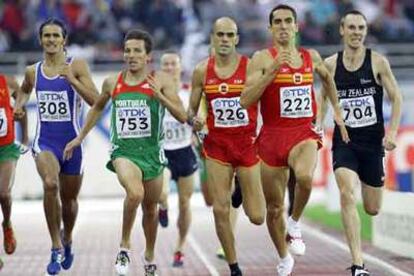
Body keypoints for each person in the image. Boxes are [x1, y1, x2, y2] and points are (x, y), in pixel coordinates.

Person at [63, 29, 187, 276]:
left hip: (152, 153)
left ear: (148, 56)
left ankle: (149, 255)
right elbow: (97, 109)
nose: (131, 55)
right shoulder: (113, 82)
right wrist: (79, 138)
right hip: (124, 153)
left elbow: (182, 116)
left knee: (150, 210)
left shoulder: (161, 80)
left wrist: (161, 98)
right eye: (127, 50)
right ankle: (124, 246)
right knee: (135, 193)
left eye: (137, 51)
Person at [240, 4, 349, 275]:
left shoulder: (310, 56)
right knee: (273, 208)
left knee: (304, 177)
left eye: (289, 21)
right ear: (270, 28)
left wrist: (335, 111)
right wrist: (273, 71)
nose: (283, 26)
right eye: (277, 22)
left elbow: (328, 79)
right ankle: (284, 256)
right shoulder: (261, 58)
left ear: (296, 26)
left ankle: (296, 222)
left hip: (303, 132)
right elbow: (245, 100)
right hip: (272, 136)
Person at [13, 18, 99, 275]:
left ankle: (68, 237)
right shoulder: (33, 71)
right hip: (45, 141)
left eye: (55, 35)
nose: (51, 39)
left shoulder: (78, 65)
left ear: (64, 40)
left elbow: (96, 100)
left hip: (72, 143)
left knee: (69, 200)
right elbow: (25, 91)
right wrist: (19, 105)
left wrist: (72, 80)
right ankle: (55, 245)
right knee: (50, 184)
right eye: (46, 35)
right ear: (40, 40)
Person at [321, 10, 402, 276]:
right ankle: (358, 264)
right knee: (346, 192)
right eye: (352, 27)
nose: (357, 32)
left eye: (361, 28)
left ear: (365, 32)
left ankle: (359, 261)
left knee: (372, 207)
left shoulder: (377, 62)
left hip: (372, 143)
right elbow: (323, 97)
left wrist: (391, 133)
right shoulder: (331, 64)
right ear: (342, 30)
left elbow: (397, 98)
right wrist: (318, 128)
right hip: (345, 142)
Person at [188, 17, 266, 276]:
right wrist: (195, 120)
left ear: (236, 39)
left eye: (229, 35)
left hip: (246, 145)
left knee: (257, 217)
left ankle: (242, 187)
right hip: (217, 147)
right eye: (219, 34)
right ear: (212, 38)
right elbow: (191, 110)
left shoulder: (250, 67)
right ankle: (234, 267)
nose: (224, 39)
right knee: (220, 209)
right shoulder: (202, 70)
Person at [156, 52, 198, 267]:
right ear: (161, 68)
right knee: (162, 193)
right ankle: (162, 206)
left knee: (184, 203)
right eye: (166, 64)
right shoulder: (155, 93)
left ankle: (180, 248)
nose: (170, 67)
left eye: (174, 64)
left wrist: (197, 131)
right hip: (163, 152)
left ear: (180, 67)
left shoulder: (189, 93)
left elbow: (199, 119)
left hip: (184, 151)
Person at [0, 74, 29, 269]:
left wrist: (25, 138)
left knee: (3, 193)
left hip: (7, 147)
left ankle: (7, 224)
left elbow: (22, 110)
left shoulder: (7, 83)